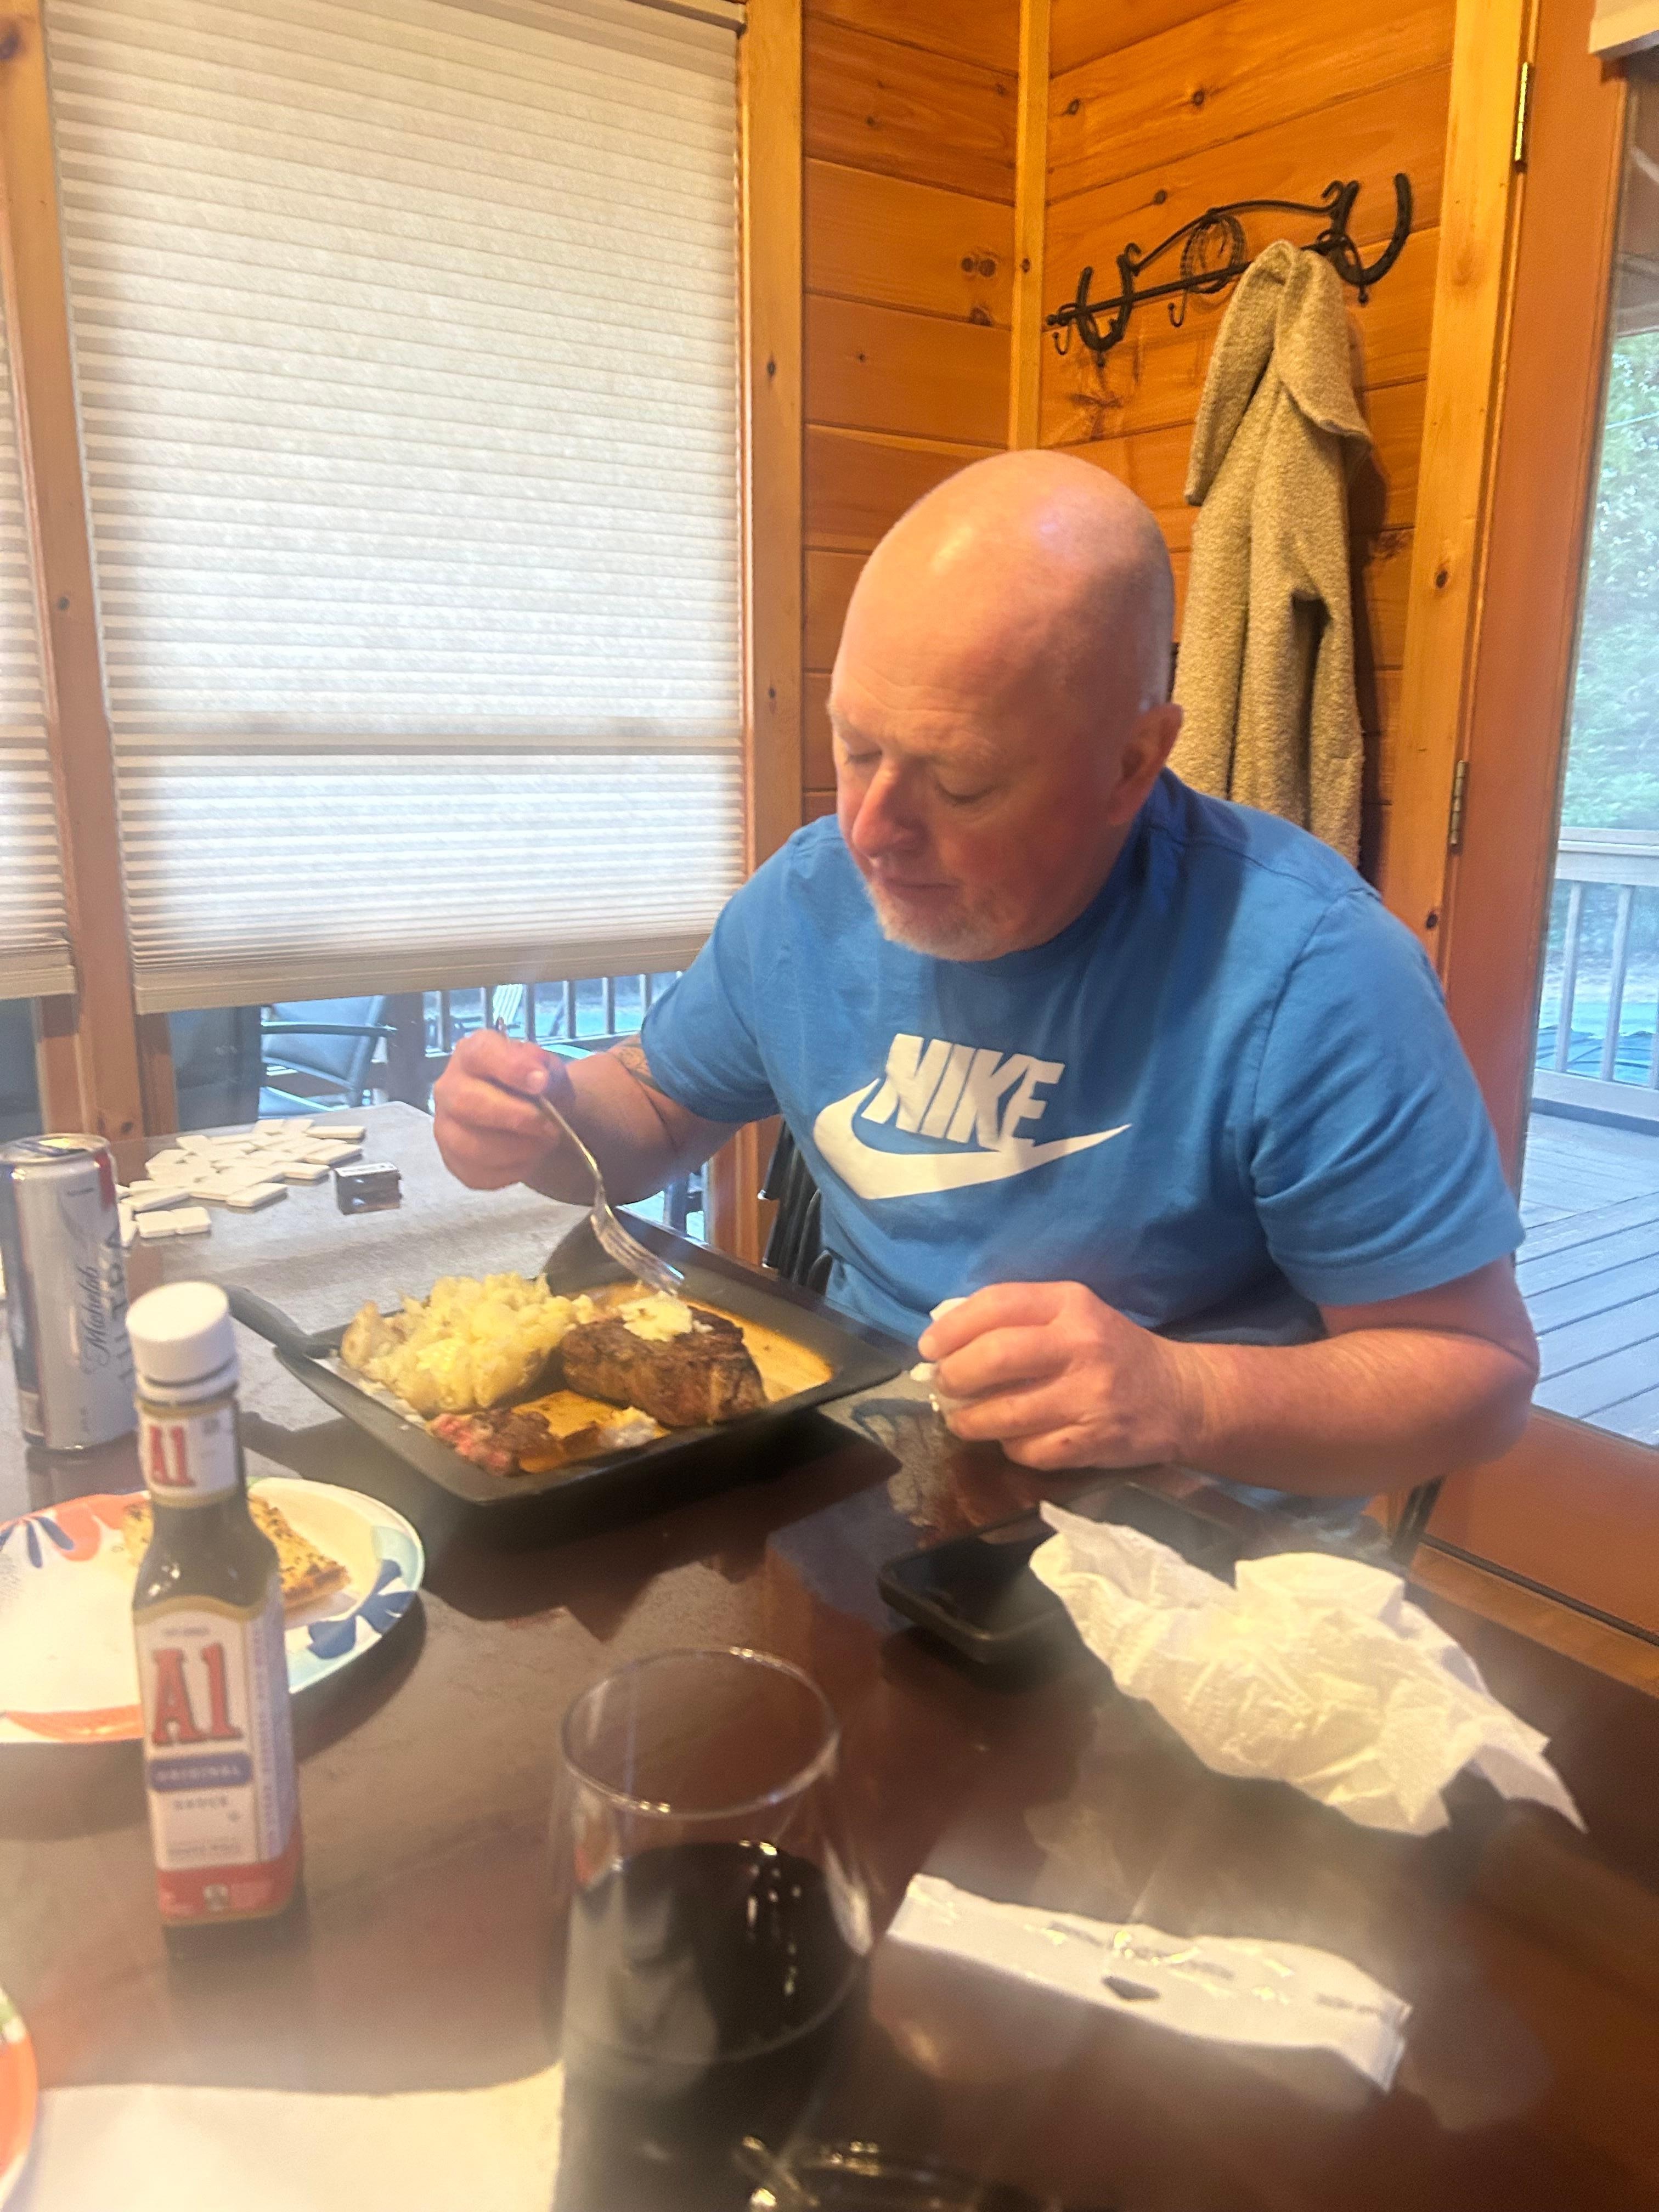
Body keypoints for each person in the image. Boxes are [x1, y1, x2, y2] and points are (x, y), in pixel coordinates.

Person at [435, 451, 1538, 1499]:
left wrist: (1185, 1392)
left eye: (958, 784)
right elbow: (661, 1110)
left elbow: (1472, 1375)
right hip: (866, 1472)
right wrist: (554, 1118)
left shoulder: (1315, 969)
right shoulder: (809, 898)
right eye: (856, 748)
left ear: (1131, 764)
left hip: (1186, 1549)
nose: (871, 831)